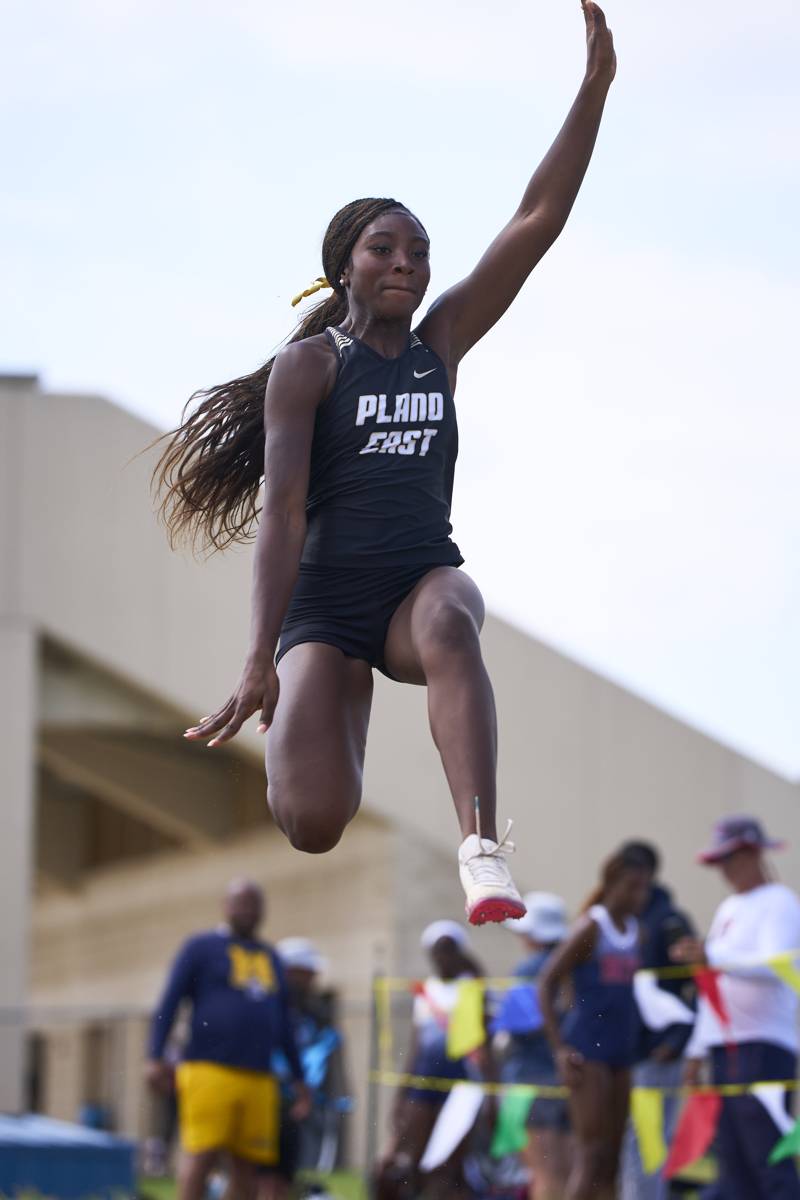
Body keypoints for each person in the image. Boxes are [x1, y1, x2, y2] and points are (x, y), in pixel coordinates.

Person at [156, 3, 617, 926]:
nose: (406, 263)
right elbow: (283, 513)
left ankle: (482, 849)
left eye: (418, 252)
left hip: (416, 586)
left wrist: (594, 88)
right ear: (345, 271)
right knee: (314, 821)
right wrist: (260, 663)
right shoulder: (311, 367)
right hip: (327, 606)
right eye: (385, 250)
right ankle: (340, 686)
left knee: (453, 617)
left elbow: (539, 216)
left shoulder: (440, 341)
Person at [144, 879, 311, 1200]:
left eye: (254, 904)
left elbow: (284, 1023)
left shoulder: (271, 957)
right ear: (225, 906)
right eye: (241, 902)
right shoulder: (201, 948)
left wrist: (299, 1078)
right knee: (202, 1155)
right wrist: (155, 1056)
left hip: (259, 1076)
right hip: (208, 1069)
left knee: (248, 1166)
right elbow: (169, 1002)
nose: (248, 910)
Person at [671, 815, 800, 1199]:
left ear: (752, 854)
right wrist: (697, 1050)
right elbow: (714, 986)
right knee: (734, 1164)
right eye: (720, 861)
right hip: (726, 1048)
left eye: (730, 859)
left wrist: (711, 953)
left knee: (768, 1160)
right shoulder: (729, 908)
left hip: (763, 1044)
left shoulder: (779, 903)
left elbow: (778, 966)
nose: (725, 870)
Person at [538, 849, 651, 1200]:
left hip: (622, 1050)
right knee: (591, 1153)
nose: (639, 896)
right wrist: (559, 1049)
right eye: (632, 886)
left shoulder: (636, 932)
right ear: (612, 883)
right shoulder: (591, 926)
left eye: (645, 888)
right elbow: (545, 982)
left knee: (613, 1159)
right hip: (588, 1050)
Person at [376, 920, 487, 1200]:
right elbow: (416, 1048)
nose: (443, 957)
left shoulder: (471, 986)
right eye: (438, 951)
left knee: (448, 1162)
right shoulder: (427, 992)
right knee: (412, 1157)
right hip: (424, 1084)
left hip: (460, 1084)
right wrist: (402, 1094)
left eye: (450, 950)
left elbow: (481, 1040)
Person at [618, 841, 696, 1200]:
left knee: (648, 1141)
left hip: (658, 1053)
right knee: (628, 1141)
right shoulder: (624, 921)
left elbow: (697, 985)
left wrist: (675, 1042)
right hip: (626, 1051)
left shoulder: (669, 923)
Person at [258, 938, 347, 1200]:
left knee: (283, 1176)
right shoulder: (266, 1007)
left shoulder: (311, 1014)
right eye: (305, 974)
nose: (310, 982)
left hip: (293, 1105)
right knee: (258, 1175)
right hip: (265, 1099)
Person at [498, 893, 572, 1200]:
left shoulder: (529, 970)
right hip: (569, 1080)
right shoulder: (576, 967)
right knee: (571, 1172)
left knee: (543, 1175)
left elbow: (515, 1027)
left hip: (531, 1080)